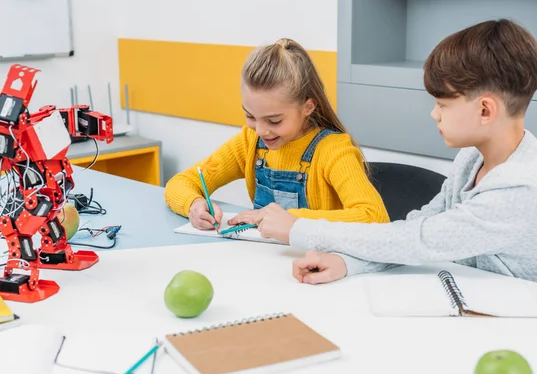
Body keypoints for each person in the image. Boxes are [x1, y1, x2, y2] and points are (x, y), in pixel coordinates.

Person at [251, 20, 537, 288]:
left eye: (443, 104)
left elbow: (420, 240)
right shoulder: (472, 160)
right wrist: (349, 263)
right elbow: (416, 230)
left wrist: (298, 229)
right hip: (472, 305)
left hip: (521, 331)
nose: (434, 114)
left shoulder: (520, 189)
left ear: (485, 109)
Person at [164, 38, 389, 230]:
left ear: (307, 107)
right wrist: (193, 204)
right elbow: (182, 183)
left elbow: (374, 218)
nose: (261, 131)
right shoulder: (249, 142)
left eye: (274, 120)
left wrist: (291, 220)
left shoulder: (334, 150)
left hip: (318, 267)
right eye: (250, 116)